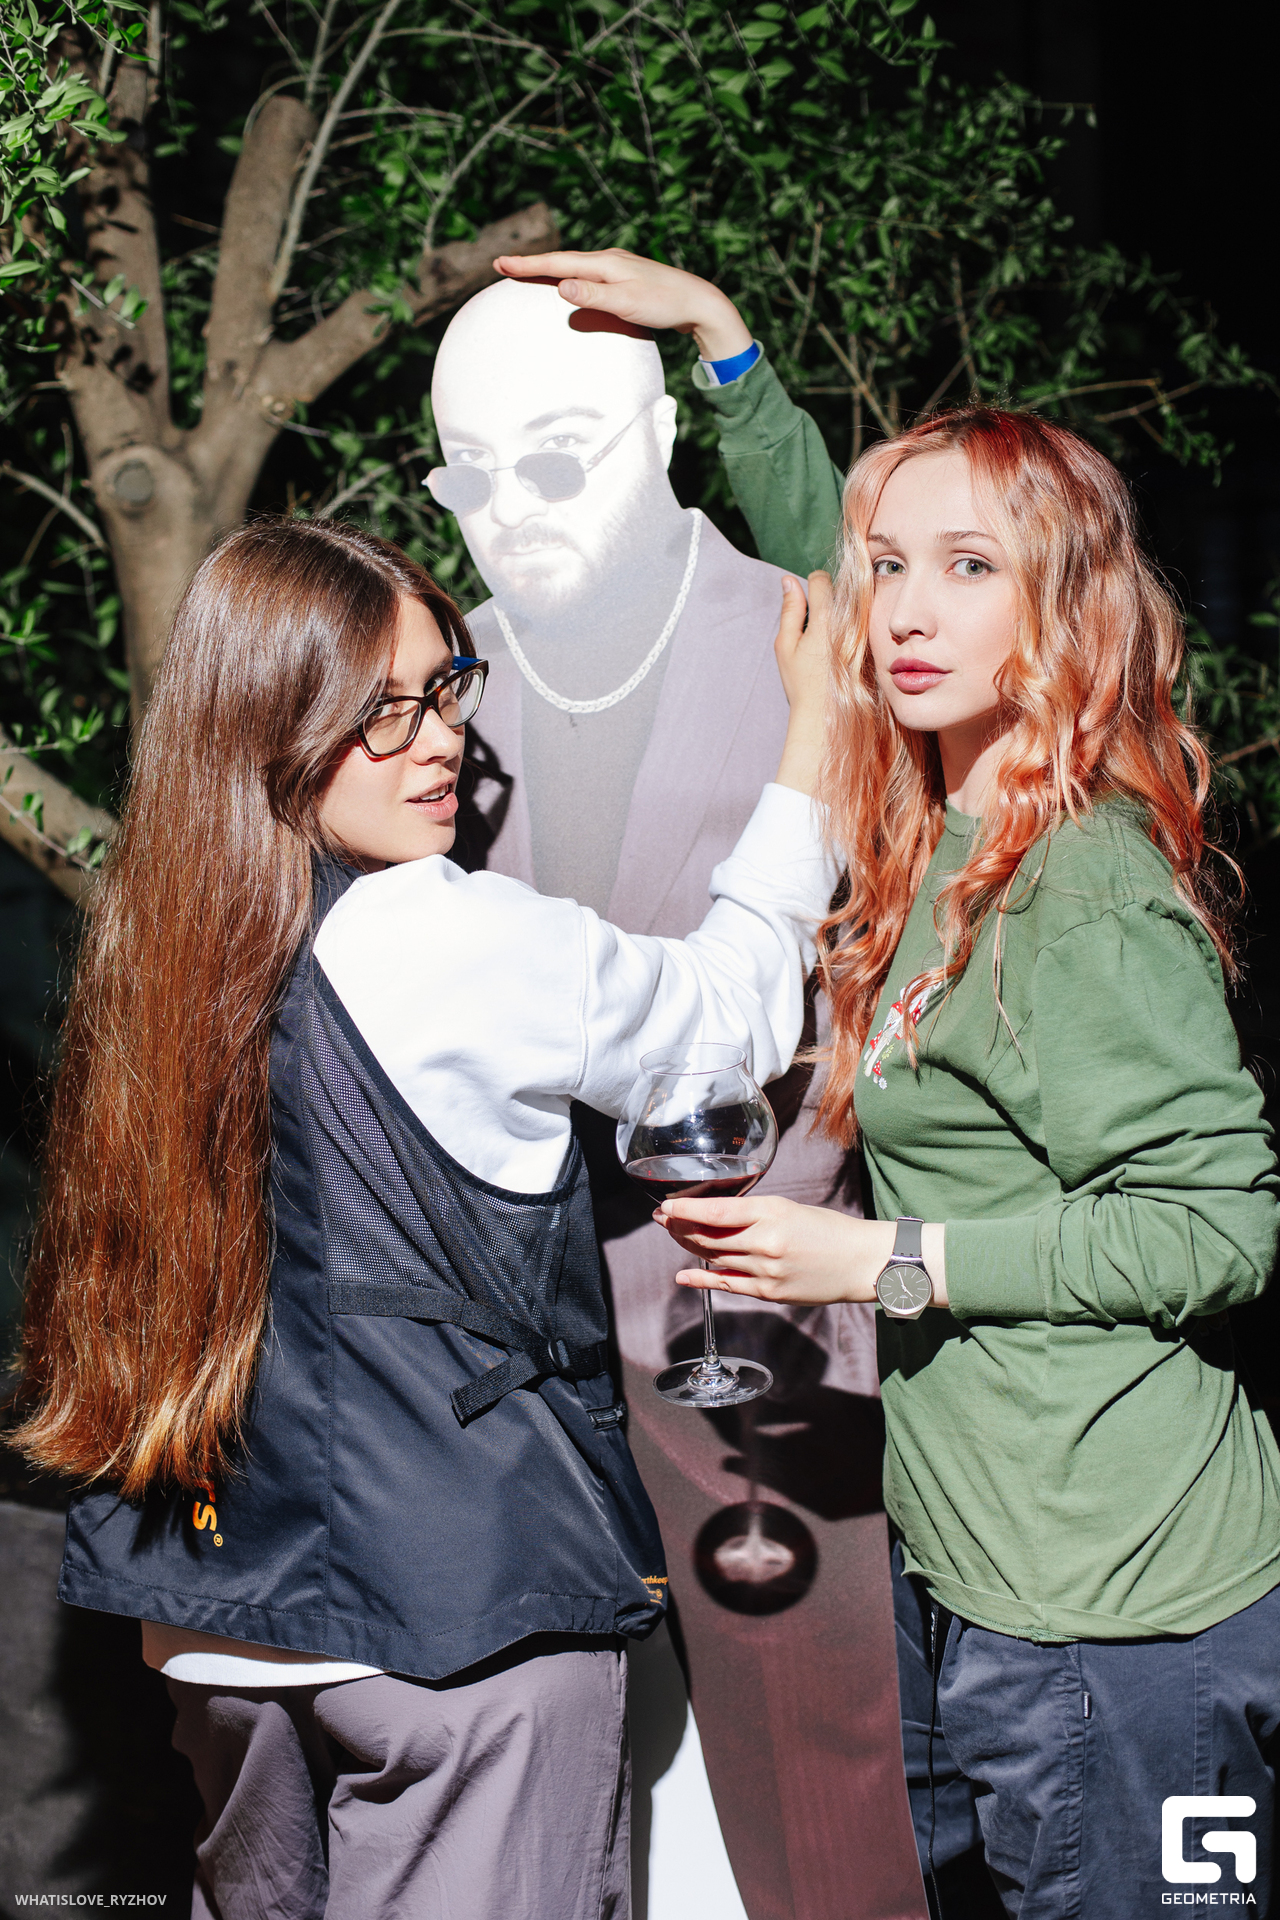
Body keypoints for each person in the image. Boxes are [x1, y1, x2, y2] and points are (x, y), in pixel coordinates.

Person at [504, 250, 1280, 1915]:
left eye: (971, 568)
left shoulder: (1081, 882)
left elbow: (1219, 1228)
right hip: (991, 1565)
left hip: (1127, 1604)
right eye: (888, 571)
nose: (907, 610)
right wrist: (723, 349)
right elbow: (838, 554)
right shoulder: (947, 829)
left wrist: (882, 1261)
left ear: (1061, 607)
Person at [9, 516, 835, 1920]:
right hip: (458, 1620)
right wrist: (811, 740)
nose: (439, 739)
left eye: (447, 687)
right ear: (272, 721)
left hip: (215, 1627)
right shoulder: (439, 933)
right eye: (377, 711)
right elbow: (726, 1018)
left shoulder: (155, 944)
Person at [429, 278, 918, 1920]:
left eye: (556, 457)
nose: (513, 505)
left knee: (815, 1776)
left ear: (653, 437)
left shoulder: (805, 633)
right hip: (502, 1329)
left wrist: (725, 340)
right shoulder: (428, 691)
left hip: (756, 1302)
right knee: (542, 1775)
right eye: (471, 472)